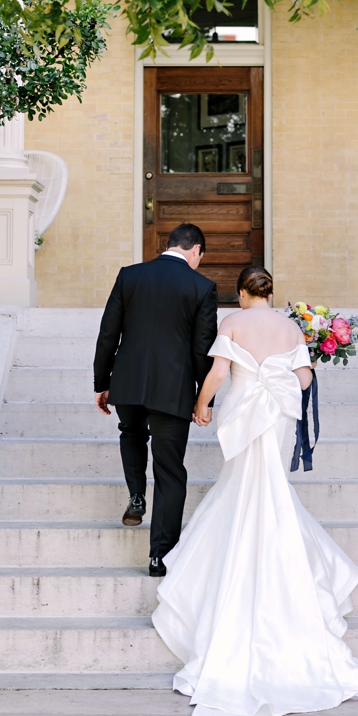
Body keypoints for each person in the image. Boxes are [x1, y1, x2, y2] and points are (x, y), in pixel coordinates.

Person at [151, 266, 358, 716]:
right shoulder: (290, 326)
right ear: (271, 293)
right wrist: (294, 371)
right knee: (271, 486)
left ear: (245, 293)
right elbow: (303, 381)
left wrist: (201, 405)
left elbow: (219, 373)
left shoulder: (233, 323)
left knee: (243, 486)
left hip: (245, 412)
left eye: (240, 294)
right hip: (279, 416)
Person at [92, 222, 218, 577]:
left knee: (131, 434)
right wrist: (203, 397)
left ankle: (135, 495)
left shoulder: (130, 276)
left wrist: (104, 383)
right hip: (172, 389)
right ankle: (159, 556)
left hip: (128, 383)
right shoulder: (202, 287)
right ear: (195, 251)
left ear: (170, 245)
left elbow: (108, 334)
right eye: (200, 257)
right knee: (169, 470)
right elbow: (201, 349)